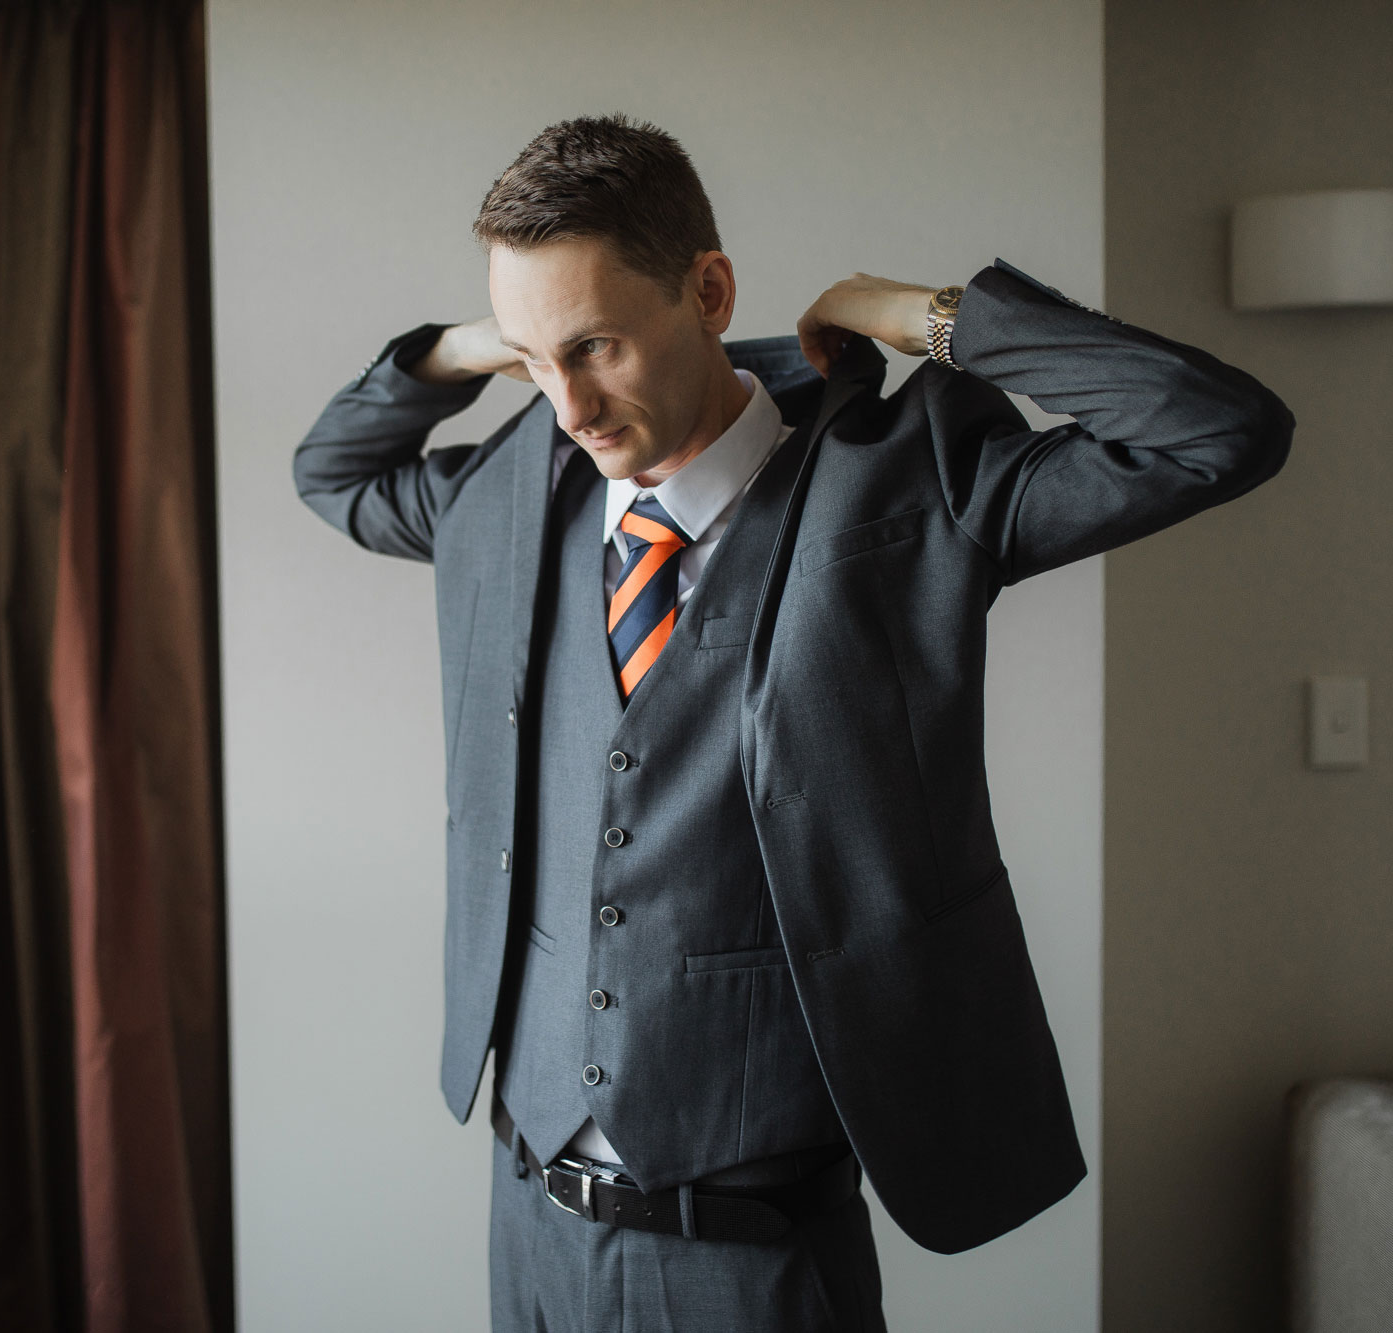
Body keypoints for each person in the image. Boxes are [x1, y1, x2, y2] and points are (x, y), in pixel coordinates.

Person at [292, 113, 1293, 1332]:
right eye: (536, 357)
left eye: (596, 345)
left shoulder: (905, 479)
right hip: (530, 1227)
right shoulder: (510, 496)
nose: (570, 409)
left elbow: (1216, 430)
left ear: (708, 290)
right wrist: (464, 348)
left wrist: (927, 315)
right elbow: (332, 473)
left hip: (756, 1262)